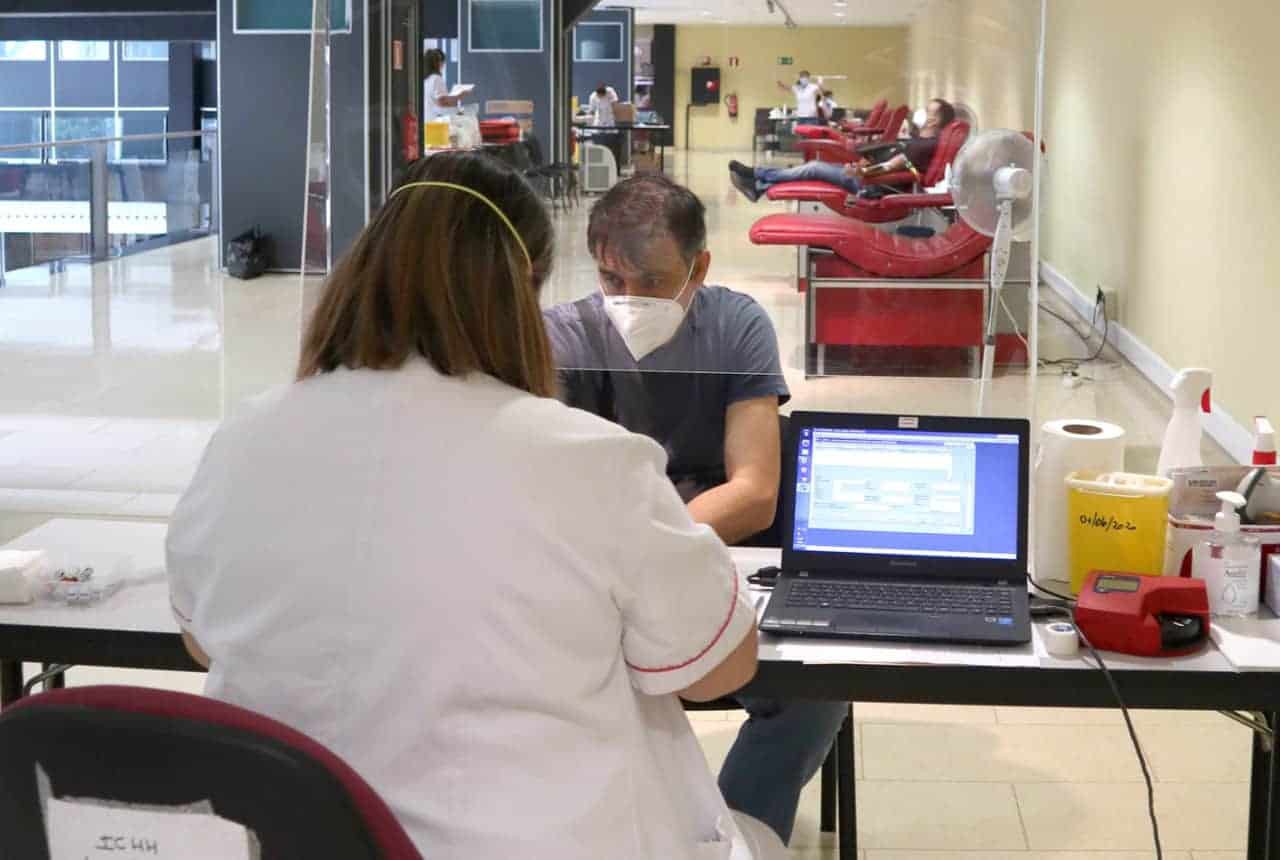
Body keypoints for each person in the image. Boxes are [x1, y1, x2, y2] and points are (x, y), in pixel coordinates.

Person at [166, 151, 786, 860]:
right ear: (523, 292)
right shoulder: (589, 460)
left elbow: (201, 639)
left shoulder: (246, 438)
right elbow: (718, 667)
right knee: (758, 842)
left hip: (291, 840)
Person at [543, 174, 848, 847]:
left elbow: (755, 491)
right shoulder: (563, 337)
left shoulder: (736, 327)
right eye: (609, 279)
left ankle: (730, 838)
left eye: (651, 281)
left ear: (698, 268)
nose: (627, 300)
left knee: (817, 688)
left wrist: (646, 543)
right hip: (603, 593)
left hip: (714, 574)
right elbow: (550, 498)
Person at [728, 97, 957, 202]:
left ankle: (757, 175)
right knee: (813, 170)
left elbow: (897, 165)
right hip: (870, 176)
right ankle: (759, 185)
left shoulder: (925, 145)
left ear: (935, 121)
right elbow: (894, 158)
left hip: (873, 185)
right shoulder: (919, 139)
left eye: (928, 111)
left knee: (814, 168)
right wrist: (864, 165)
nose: (922, 113)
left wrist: (863, 173)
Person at [421, 48, 461, 122]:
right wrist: (458, 96)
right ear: (437, 63)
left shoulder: (425, 79)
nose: (442, 64)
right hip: (436, 122)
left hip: (427, 120)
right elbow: (442, 102)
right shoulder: (436, 79)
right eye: (441, 61)